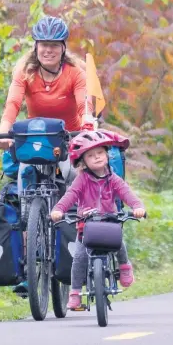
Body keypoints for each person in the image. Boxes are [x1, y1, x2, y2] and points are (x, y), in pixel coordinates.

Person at [0, 15, 88, 295]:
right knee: (24, 187)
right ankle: (27, 266)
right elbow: (13, 103)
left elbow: (84, 106)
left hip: (68, 139)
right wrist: (3, 131)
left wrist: (85, 131)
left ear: (63, 47)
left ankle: (75, 254)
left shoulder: (75, 73)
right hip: (35, 140)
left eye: (53, 45)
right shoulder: (25, 71)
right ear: (35, 46)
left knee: (74, 183)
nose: (47, 50)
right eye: (42, 44)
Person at [50, 130, 146, 310]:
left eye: (100, 153)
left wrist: (137, 207)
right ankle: (76, 292)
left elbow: (127, 194)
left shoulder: (113, 179)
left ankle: (124, 266)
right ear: (82, 161)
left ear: (107, 154)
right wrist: (58, 210)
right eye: (91, 155)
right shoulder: (81, 180)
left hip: (109, 223)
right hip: (85, 227)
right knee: (79, 258)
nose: (96, 157)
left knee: (119, 244)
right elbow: (69, 196)